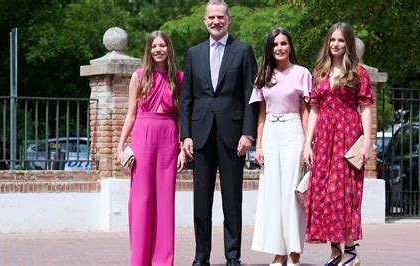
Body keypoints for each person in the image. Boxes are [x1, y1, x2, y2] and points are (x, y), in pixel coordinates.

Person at [180, 0, 258, 265]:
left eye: (220, 17)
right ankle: (201, 257)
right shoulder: (193, 53)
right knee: (201, 202)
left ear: (229, 19)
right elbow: (187, 98)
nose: (216, 21)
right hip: (200, 136)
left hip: (233, 136)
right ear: (204, 20)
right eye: (211, 17)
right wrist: (185, 136)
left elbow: (251, 96)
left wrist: (248, 133)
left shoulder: (243, 51)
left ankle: (232, 257)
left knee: (232, 201)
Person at [302, 22, 373, 266]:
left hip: (347, 136)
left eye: (341, 40)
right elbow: (313, 109)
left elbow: (365, 107)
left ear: (348, 44)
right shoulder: (320, 71)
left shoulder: (358, 73)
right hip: (323, 139)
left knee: (344, 192)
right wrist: (307, 144)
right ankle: (335, 251)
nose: (336, 44)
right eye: (333, 39)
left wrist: (367, 143)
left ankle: (351, 250)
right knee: (324, 193)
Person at [116, 30, 186, 266]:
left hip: (168, 136)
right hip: (143, 135)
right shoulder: (138, 76)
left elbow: (180, 117)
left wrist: (181, 149)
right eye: (154, 46)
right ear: (149, 49)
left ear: (169, 49)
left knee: (165, 200)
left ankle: (163, 261)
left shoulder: (178, 77)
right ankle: (139, 260)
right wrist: (121, 145)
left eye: (162, 45)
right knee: (142, 197)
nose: (158, 50)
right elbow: (131, 114)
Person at [249, 28, 310, 266]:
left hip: (293, 131)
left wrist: (307, 144)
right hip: (271, 134)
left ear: (290, 46)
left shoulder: (302, 73)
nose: (280, 48)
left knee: (291, 194)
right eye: (275, 44)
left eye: (284, 43)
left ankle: (294, 251)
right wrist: (259, 146)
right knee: (272, 195)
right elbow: (261, 115)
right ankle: (278, 253)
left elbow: (306, 112)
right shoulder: (263, 76)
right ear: (270, 49)